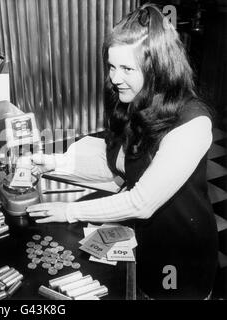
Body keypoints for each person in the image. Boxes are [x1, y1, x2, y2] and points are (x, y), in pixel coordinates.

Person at [26, 3, 218, 300]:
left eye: (127, 68)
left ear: (158, 68)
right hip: (145, 242)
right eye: (112, 66)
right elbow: (116, 168)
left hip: (182, 257)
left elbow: (141, 201)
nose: (115, 78)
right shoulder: (132, 100)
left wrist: (70, 211)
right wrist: (51, 163)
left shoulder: (193, 122)